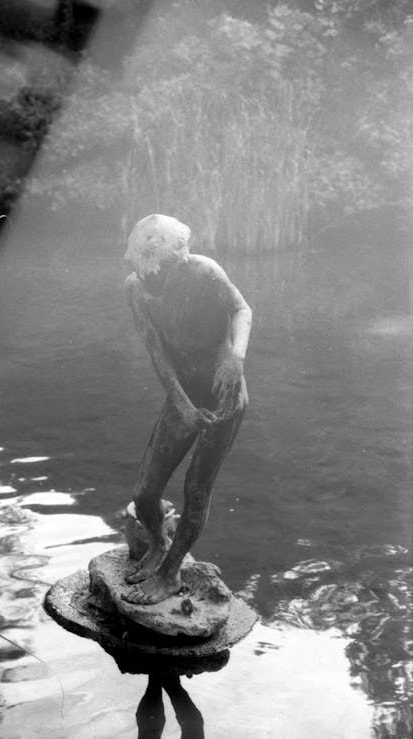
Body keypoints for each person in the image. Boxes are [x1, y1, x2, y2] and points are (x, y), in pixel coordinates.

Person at [122, 214, 252, 605]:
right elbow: (157, 354)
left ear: (179, 254)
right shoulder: (136, 289)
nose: (149, 245)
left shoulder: (204, 273)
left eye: (160, 241)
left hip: (223, 395)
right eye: (145, 237)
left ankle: (171, 573)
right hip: (183, 394)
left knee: (196, 489)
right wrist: (181, 404)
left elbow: (243, 310)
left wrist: (236, 358)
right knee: (145, 493)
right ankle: (158, 546)